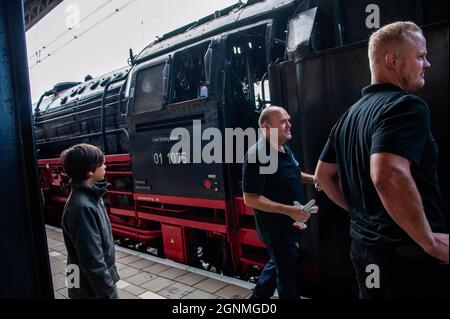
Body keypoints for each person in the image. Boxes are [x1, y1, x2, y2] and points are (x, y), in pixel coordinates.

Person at [315, 22, 448, 298]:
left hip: (364, 250)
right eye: (420, 56)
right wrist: (430, 242)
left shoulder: (348, 116)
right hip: (408, 260)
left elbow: (322, 176)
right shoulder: (406, 106)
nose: (427, 63)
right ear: (392, 60)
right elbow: (387, 174)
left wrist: (358, 213)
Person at [242, 106, 318, 299]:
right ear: (267, 127)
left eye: (288, 120)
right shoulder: (256, 155)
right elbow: (250, 198)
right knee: (287, 274)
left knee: (278, 262)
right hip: (275, 227)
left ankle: (256, 299)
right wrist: (289, 210)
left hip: (290, 222)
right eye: (283, 121)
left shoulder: (283, 148)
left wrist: (315, 179)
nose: (289, 124)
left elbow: (293, 174)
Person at [60, 143, 120, 299]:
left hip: (90, 284)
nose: (105, 166)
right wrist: (110, 294)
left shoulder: (90, 197)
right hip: (90, 289)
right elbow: (93, 263)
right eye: (102, 163)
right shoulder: (82, 207)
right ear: (89, 171)